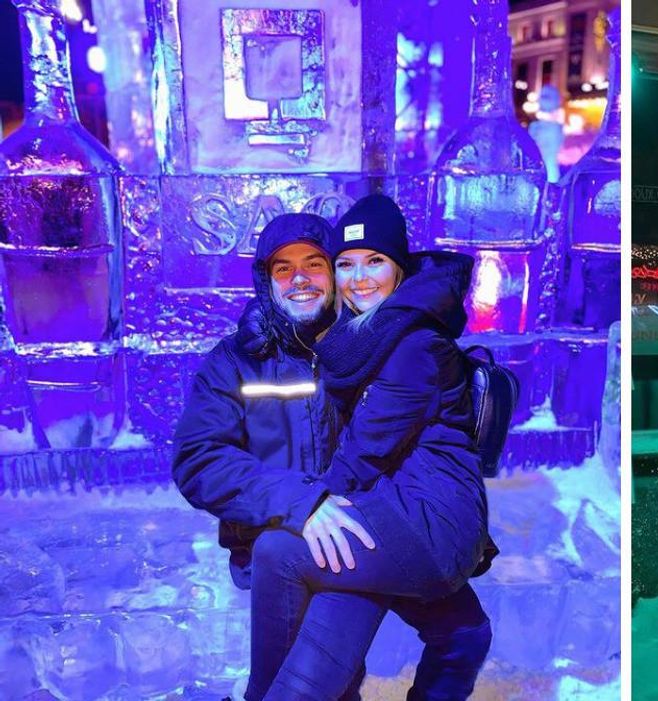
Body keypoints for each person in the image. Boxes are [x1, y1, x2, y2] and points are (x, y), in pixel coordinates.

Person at [170, 209, 491, 701]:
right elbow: (198, 460)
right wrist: (302, 503)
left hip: (363, 525)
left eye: (314, 264)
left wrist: (461, 530)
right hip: (293, 535)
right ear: (267, 282)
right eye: (283, 268)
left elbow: (413, 445)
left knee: (464, 632)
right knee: (326, 674)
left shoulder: (372, 345)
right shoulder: (236, 361)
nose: (300, 278)